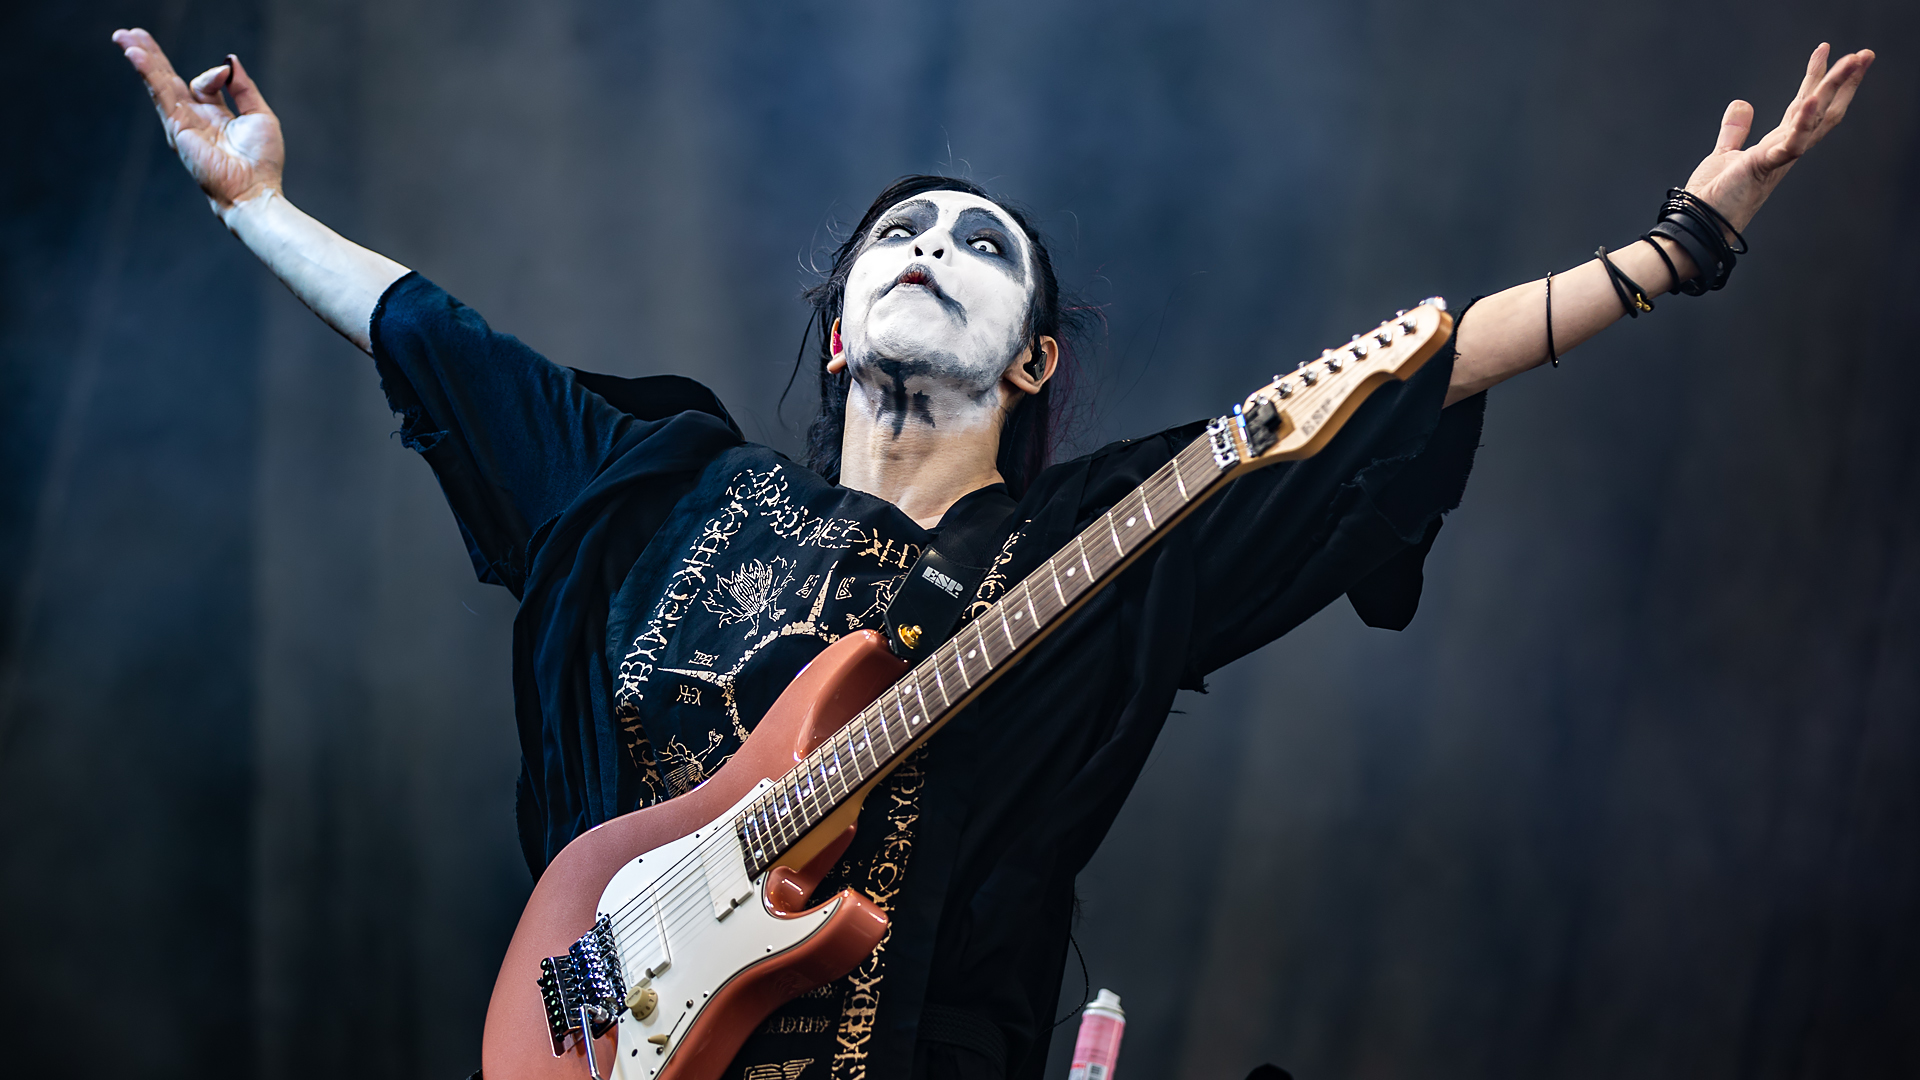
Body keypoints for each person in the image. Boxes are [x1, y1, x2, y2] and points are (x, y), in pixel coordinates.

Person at [113, 27, 1871, 1080]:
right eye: (900, 231)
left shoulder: (1094, 540)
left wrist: (1676, 248)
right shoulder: (668, 485)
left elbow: (1395, 388)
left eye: (979, 242)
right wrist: (258, 207)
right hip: (594, 1023)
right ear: (834, 334)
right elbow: (439, 345)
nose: (930, 244)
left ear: (1035, 358)